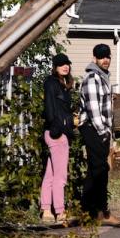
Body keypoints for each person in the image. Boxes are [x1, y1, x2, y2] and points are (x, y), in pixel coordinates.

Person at [78, 43, 120, 226]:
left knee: (94, 171)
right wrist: (103, 131)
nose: (105, 60)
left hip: (101, 130)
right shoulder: (92, 79)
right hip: (93, 128)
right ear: (95, 58)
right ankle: (102, 212)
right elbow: (93, 109)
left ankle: (88, 210)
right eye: (101, 56)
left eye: (107, 56)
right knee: (101, 170)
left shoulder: (103, 77)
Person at [40, 54, 74, 225]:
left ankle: (46, 209)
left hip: (56, 132)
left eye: (67, 64)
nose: (65, 66)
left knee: (50, 174)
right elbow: (49, 109)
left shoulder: (63, 85)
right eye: (61, 64)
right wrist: (58, 130)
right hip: (57, 134)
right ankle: (60, 211)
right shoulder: (52, 83)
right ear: (55, 67)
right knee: (60, 177)